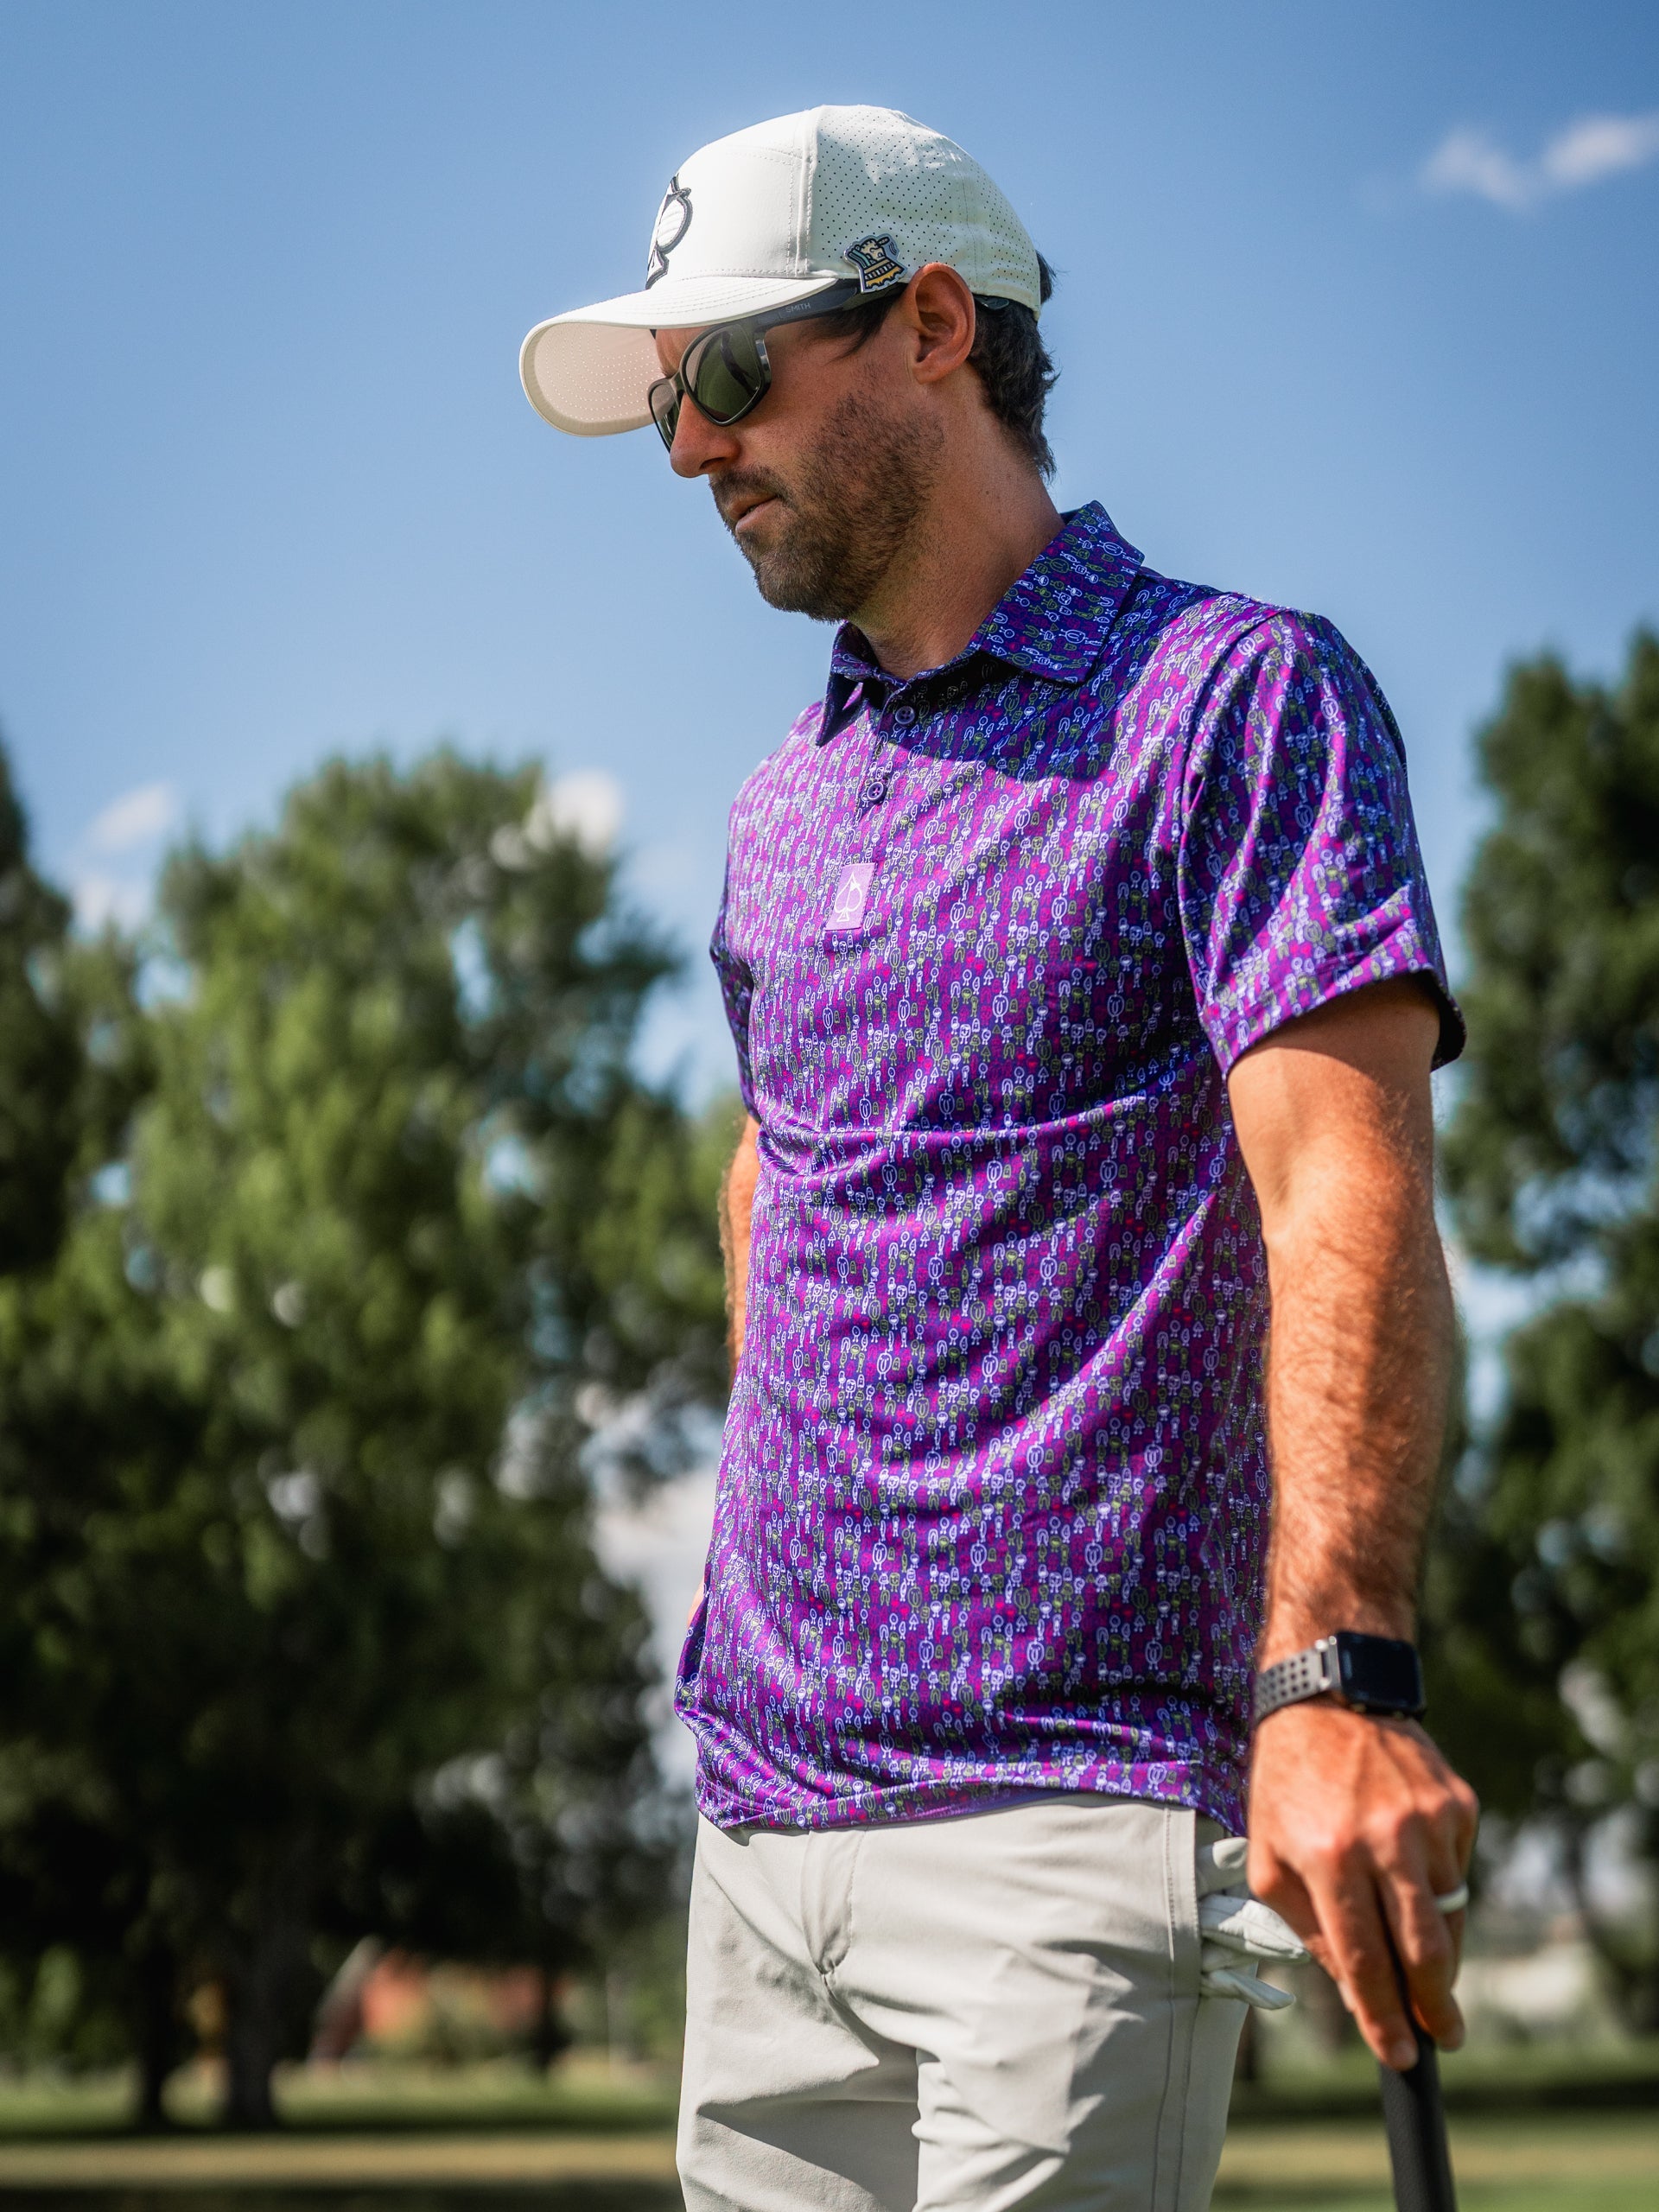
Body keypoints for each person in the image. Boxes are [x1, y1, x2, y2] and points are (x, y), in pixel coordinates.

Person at [521, 104, 1479, 2212]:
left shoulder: (1234, 703)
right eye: (669, 400)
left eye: (731, 372)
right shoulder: (787, 809)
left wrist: (1335, 1674)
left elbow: (1346, 1189)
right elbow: (782, 1193)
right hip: (766, 1838)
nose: (688, 446)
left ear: (934, 321)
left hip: (1068, 1822)